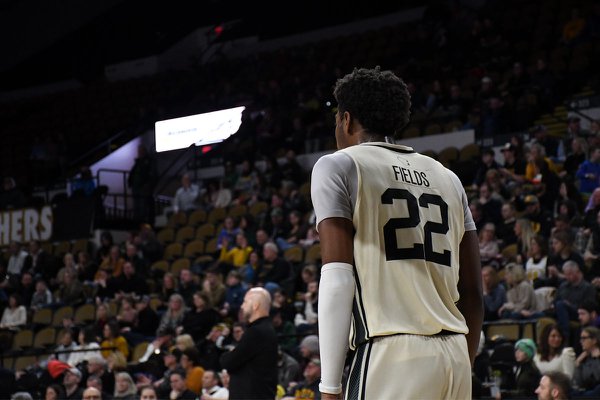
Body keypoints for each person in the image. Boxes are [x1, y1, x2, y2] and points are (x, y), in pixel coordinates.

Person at [310, 67, 483, 400]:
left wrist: (330, 387)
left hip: (391, 353)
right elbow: (473, 292)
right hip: (455, 356)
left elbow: (337, 277)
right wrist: (464, 363)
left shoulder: (338, 165)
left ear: (346, 120)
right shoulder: (448, 178)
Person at [220, 287, 278, 399]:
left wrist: (226, 355)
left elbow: (229, 362)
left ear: (255, 305)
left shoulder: (256, 332)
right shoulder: (266, 329)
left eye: (245, 302)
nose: (242, 306)